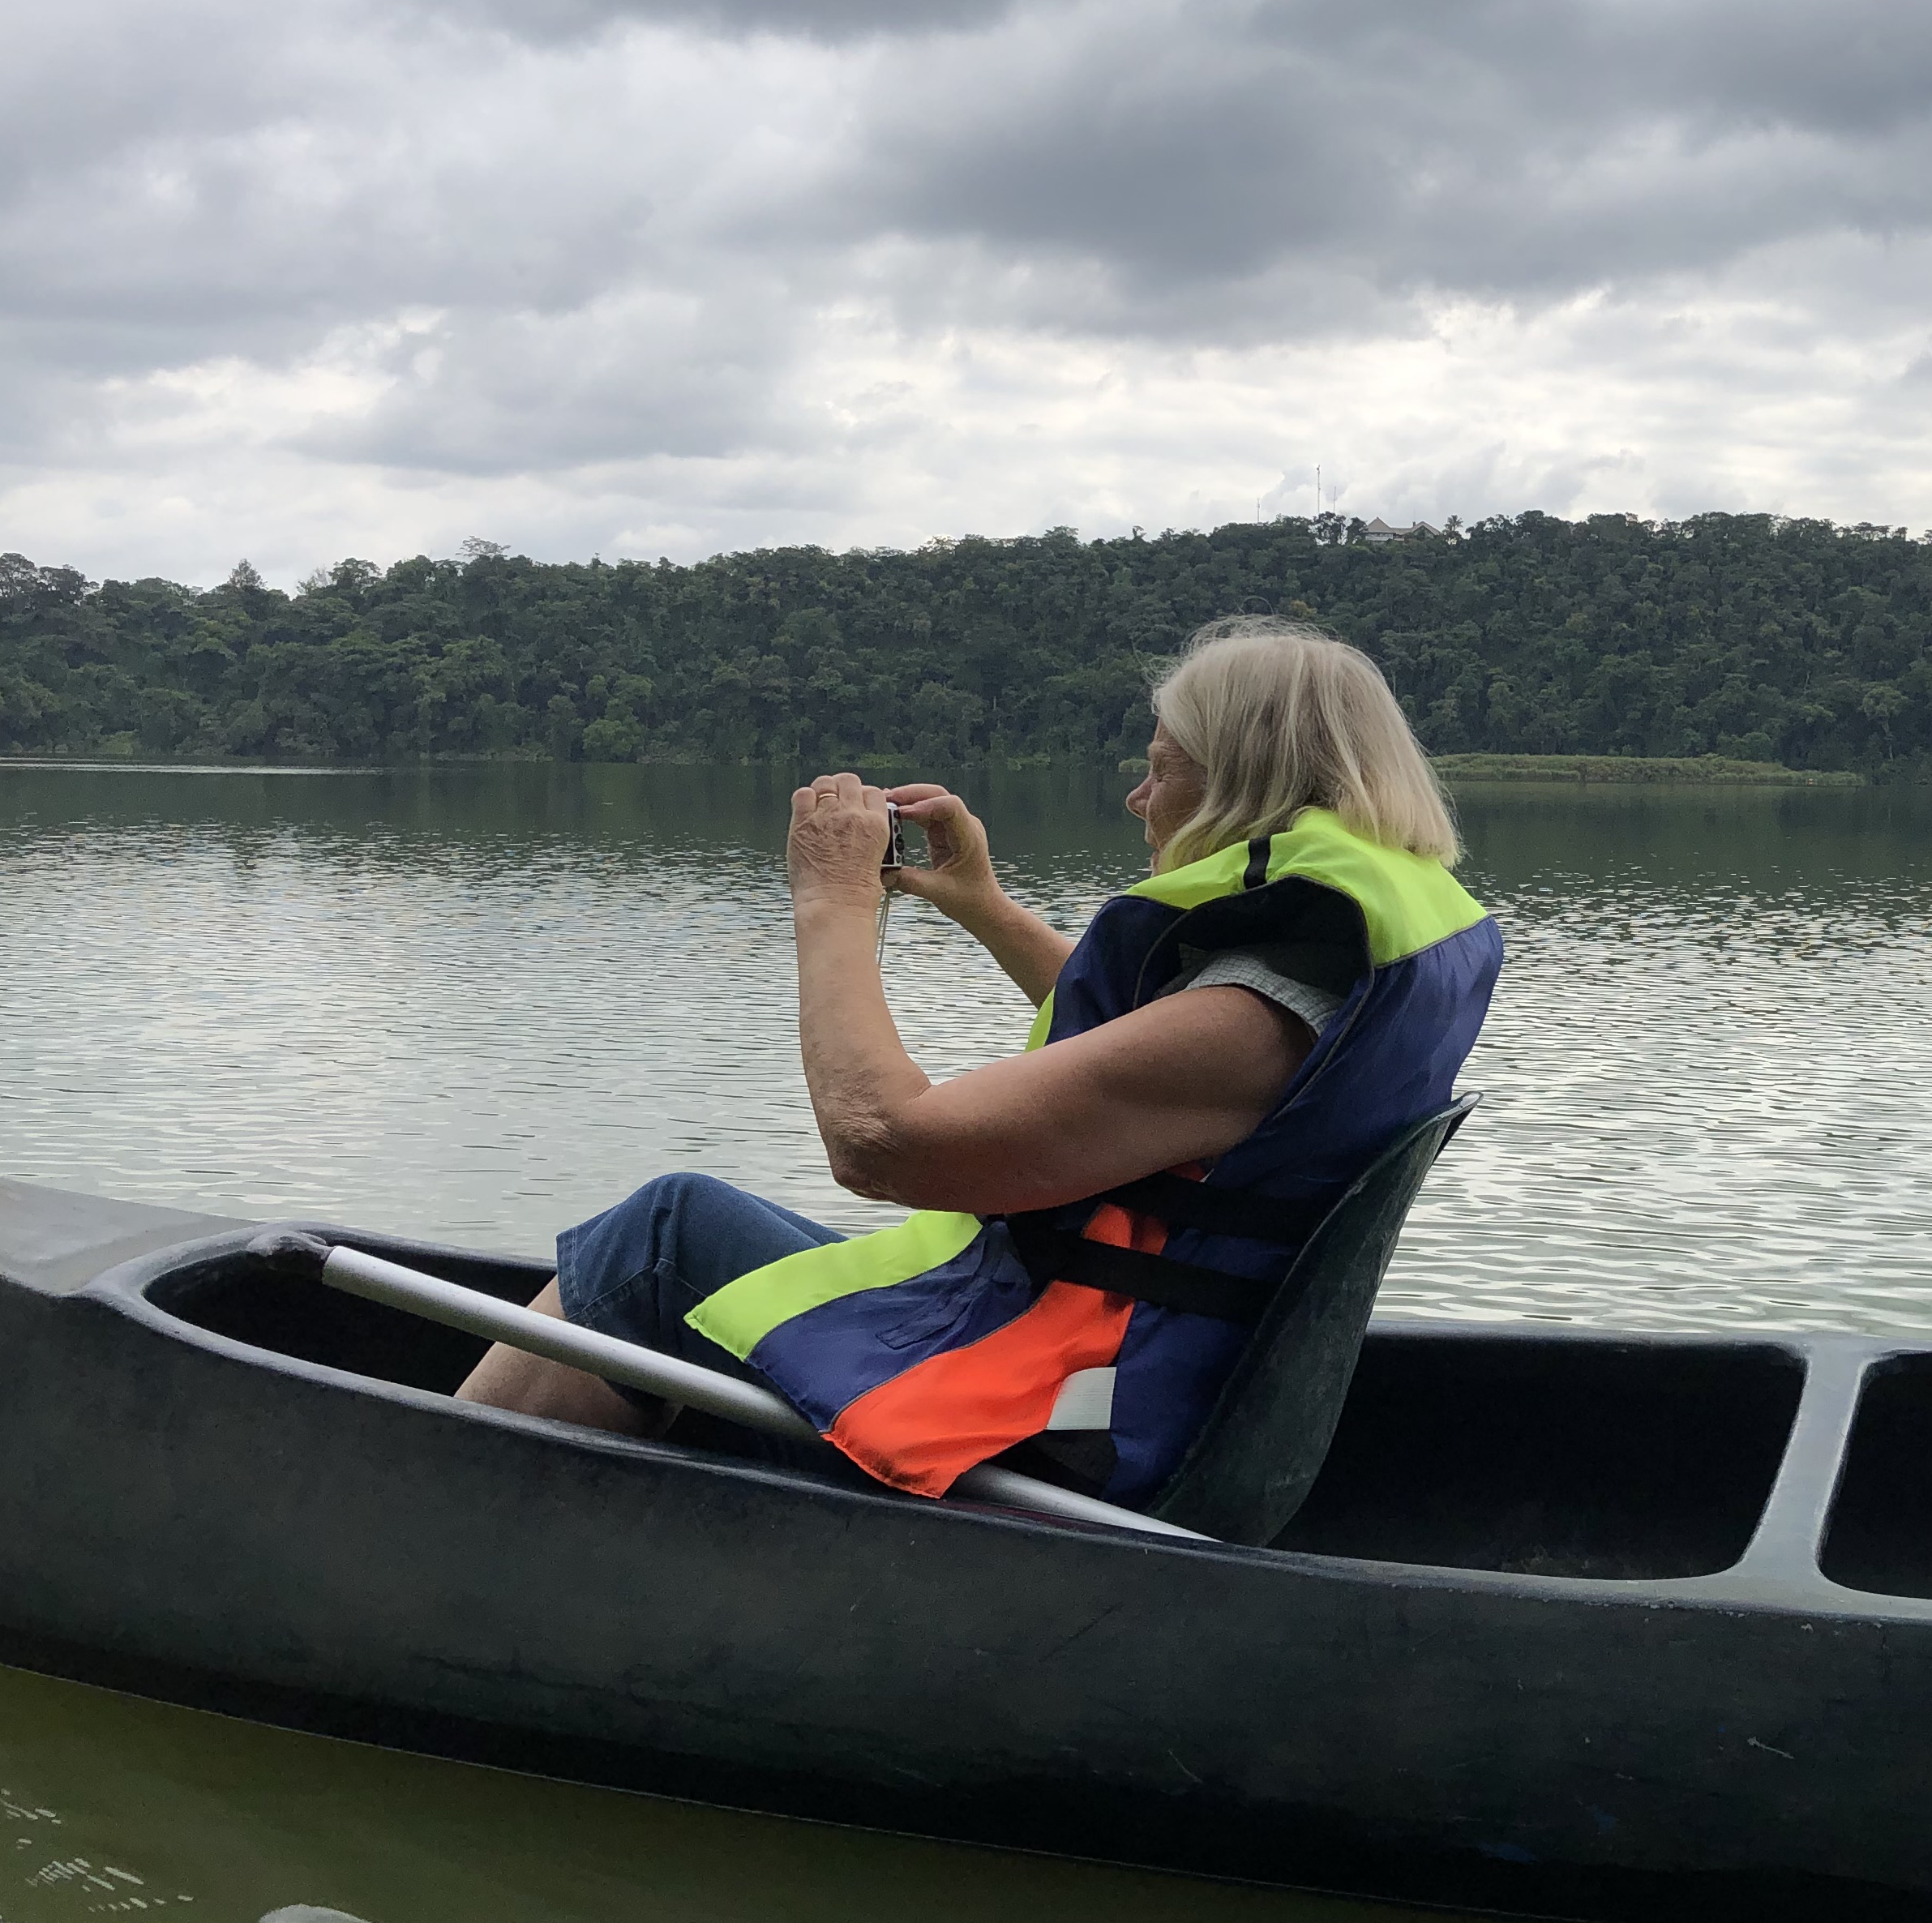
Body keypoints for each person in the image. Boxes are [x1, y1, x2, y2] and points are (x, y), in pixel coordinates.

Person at [456, 619, 1503, 1508]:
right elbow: (1143, 1069)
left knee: (660, 1235)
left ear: (1240, 785)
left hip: (1093, 1422)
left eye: (1161, 770)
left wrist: (831, 900)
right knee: (693, 1252)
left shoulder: (1252, 1019)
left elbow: (884, 1144)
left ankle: (436, 1512)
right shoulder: (1331, 959)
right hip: (1161, 1373)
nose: (1140, 799)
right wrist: (984, 908)